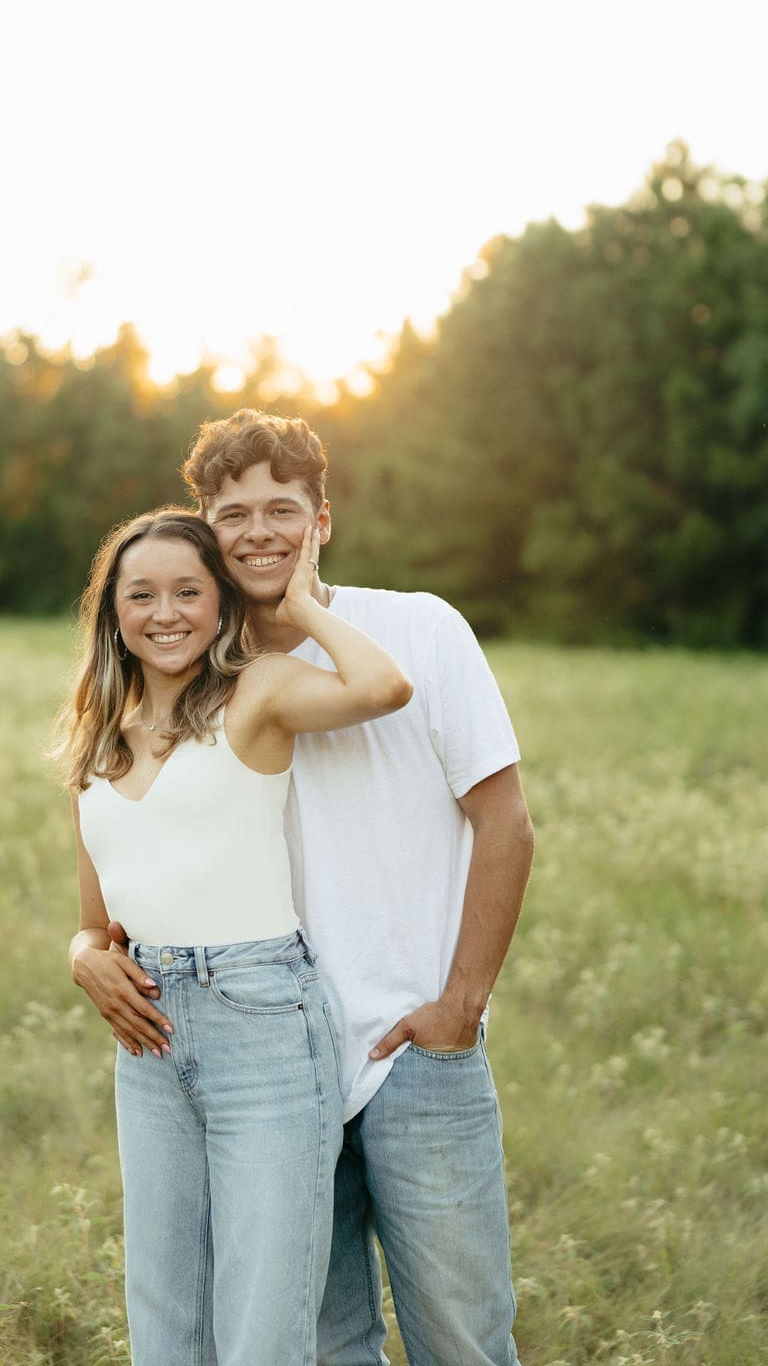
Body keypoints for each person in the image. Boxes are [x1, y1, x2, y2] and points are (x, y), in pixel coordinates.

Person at [104, 412, 535, 1366]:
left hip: (412, 1050)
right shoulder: (197, 679)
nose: (258, 532)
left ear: (323, 517)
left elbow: (505, 822)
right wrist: (85, 950)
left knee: (463, 1335)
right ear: (204, 531)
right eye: (233, 514)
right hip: (270, 1062)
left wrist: (459, 1008)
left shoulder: (419, 628)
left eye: (282, 510)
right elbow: (135, 848)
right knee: (327, 1343)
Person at [57, 505, 413, 1366]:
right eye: (141, 595)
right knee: (166, 1312)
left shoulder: (258, 690)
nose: (166, 613)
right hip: (148, 1044)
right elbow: (93, 922)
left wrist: (298, 603)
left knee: (262, 1322)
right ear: (115, 614)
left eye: (188, 590)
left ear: (220, 603)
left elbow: (384, 686)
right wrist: (80, 959)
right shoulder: (96, 737)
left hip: (261, 1024)